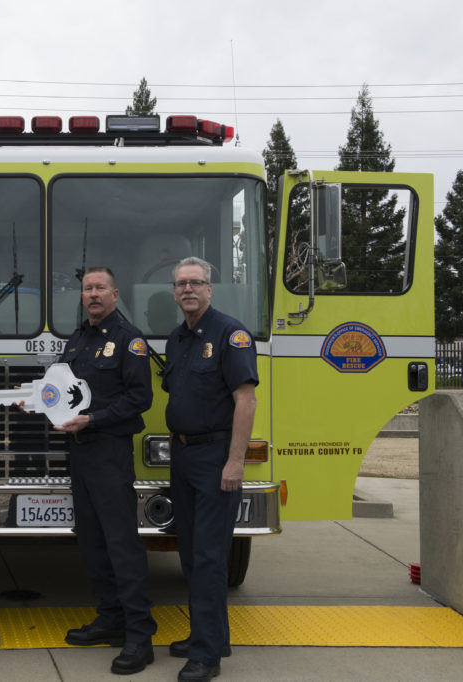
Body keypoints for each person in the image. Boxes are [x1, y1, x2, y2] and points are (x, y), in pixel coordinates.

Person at [55, 267, 157, 675]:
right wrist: (30, 397)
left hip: (109, 452)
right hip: (79, 453)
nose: (93, 295)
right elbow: (61, 392)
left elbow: (140, 398)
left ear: (115, 294)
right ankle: (110, 619)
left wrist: (93, 419)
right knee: (92, 541)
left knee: (121, 543)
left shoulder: (128, 339)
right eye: (87, 289)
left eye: (100, 288)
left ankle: (139, 636)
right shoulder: (78, 339)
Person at [161, 257, 258, 682]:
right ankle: (213, 636)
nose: (188, 289)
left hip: (215, 458)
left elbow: (245, 400)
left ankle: (205, 657)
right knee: (191, 555)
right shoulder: (177, 339)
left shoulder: (230, 334)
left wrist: (235, 461)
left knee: (210, 557)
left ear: (210, 289)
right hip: (182, 457)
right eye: (181, 284)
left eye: (196, 282)